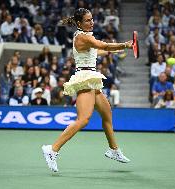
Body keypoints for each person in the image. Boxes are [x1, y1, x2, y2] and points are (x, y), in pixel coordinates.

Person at [41, 8, 133, 172]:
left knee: (106, 114)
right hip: (85, 78)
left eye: (92, 19)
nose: (91, 22)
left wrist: (115, 50)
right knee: (83, 119)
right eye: (87, 20)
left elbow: (96, 50)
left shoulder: (83, 36)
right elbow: (102, 45)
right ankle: (52, 149)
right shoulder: (83, 36)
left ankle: (113, 150)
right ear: (79, 23)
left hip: (91, 76)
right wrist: (124, 45)